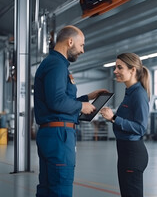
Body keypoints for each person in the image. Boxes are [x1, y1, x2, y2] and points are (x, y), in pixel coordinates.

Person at [34, 25, 107, 197]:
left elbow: (59, 99)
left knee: (47, 188)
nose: (83, 50)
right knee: (60, 187)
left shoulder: (53, 63)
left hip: (51, 133)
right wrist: (82, 106)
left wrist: (87, 97)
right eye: (81, 45)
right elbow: (56, 101)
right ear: (70, 41)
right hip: (59, 136)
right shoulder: (57, 65)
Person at [100, 53, 150, 197]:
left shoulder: (139, 94)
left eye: (119, 67)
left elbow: (141, 128)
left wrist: (114, 118)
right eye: (115, 67)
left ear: (132, 70)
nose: (115, 71)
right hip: (124, 152)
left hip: (132, 153)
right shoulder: (129, 92)